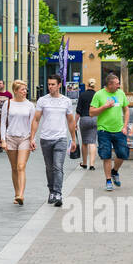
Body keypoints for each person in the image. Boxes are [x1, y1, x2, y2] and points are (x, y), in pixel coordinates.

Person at [30, 73, 77, 207]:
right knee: (49, 168)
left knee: (58, 166)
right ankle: (51, 191)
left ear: (59, 85)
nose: (50, 87)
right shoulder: (42, 100)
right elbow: (36, 119)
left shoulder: (66, 101)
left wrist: (73, 139)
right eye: (49, 84)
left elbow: (70, 121)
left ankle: (58, 193)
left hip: (60, 138)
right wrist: (32, 137)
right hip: (45, 138)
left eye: (53, 84)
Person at [90, 72, 130, 189]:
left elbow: (126, 110)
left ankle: (114, 171)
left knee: (123, 154)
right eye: (117, 84)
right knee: (106, 155)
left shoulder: (121, 93)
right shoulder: (99, 95)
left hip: (119, 130)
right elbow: (91, 112)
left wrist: (125, 126)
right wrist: (104, 107)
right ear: (109, 84)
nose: (119, 86)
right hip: (104, 130)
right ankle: (108, 180)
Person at [0, 79, 36, 205]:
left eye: (26, 89)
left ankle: (21, 194)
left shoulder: (30, 105)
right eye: (22, 90)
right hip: (10, 138)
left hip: (24, 138)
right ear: (15, 91)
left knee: (21, 166)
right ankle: (16, 193)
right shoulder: (8, 104)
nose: (25, 92)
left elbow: (33, 124)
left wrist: (32, 139)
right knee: (14, 168)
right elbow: (3, 123)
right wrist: (3, 140)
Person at [76, 76, 98, 170]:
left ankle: (84, 163)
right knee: (92, 142)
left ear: (87, 85)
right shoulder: (97, 95)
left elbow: (78, 111)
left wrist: (74, 124)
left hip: (84, 119)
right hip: (94, 119)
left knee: (85, 142)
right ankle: (92, 165)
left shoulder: (82, 95)